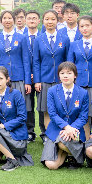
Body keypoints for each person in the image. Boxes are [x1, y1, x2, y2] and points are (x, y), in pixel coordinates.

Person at [0, 66, 33, 170]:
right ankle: (10, 157)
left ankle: (11, 159)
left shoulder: (16, 94)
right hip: (2, 138)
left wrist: (4, 126)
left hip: (17, 138)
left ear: (7, 79)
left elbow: (22, 117)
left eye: (0, 78)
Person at [41, 62, 89, 170]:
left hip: (75, 131)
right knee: (51, 165)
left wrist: (71, 129)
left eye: (69, 73)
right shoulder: (52, 91)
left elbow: (83, 117)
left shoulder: (83, 93)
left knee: (63, 143)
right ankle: (70, 153)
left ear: (75, 75)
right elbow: (52, 114)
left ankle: (70, 153)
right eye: (62, 73)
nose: (65, 76)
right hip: (56, 130)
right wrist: (66, 127)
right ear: (59, 75)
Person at [32, 10, 70, 141]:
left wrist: (67, 78)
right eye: (47, 19)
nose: (50, 22)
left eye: (53, 19)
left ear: (57, 21)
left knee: (61, 108)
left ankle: (62, 135)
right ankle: (48, 136)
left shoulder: (64, 39)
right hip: (45, 79)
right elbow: (36, 61)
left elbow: (68, 61)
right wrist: (37, 81)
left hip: (61, 80)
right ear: (43, 21)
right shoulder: (39, 39)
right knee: (46, 109)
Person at [0, 10, 31, 127]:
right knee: (5, 106)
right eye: (5, 18)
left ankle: (26, 131)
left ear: (14, 20)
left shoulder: (22, 38)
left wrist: (27, 81)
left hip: (18, 77)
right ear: (0, 21)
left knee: (21, 105)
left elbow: (26, 60)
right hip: (2, 79)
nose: (7, 20)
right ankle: (4, 128)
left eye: (10, 18)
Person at [24, 10, 41, 140]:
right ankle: (29, 131)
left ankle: (45, 132)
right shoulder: (21, 38)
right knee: (28, 105)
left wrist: (36, 74)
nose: (32, 20)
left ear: (39, 21)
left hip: (41, 76)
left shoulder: (43, 37)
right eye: (29, 18)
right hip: (26, 76)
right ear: (25, 21)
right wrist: (28, 75)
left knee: (42, 105)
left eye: (34, 18)